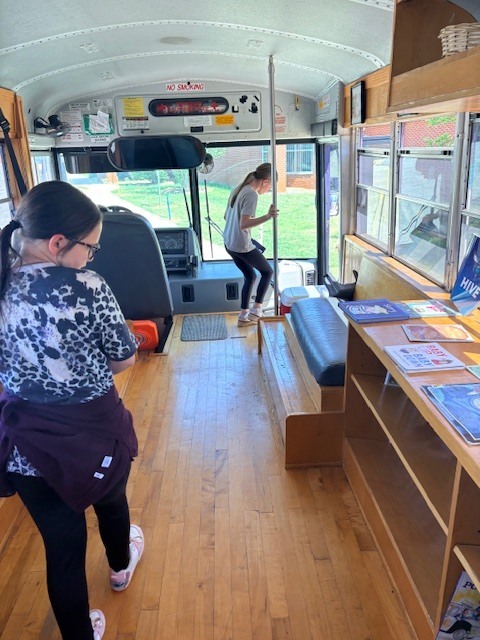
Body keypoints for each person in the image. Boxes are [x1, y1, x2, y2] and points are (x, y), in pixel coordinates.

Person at [0, 181, 144, 640]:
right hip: (92, 438)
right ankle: (120, 568)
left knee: (61, 547)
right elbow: (124, 356)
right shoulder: (86, 286)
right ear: (59, 243)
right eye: (91, 248)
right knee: (111, 499)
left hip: (24, 446)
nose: (91, 258)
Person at [223, 162, 278, 326]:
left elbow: (227, 217)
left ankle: (243, 316)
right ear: (265, 181)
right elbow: (244, 224)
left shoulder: (238, 188)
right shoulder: (251, 194)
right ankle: (257, 310)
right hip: (240, 245)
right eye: (270, 187)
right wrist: (268, 216)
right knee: (268, 272)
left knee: (251, 275)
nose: (268, 191)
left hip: (229, 242)